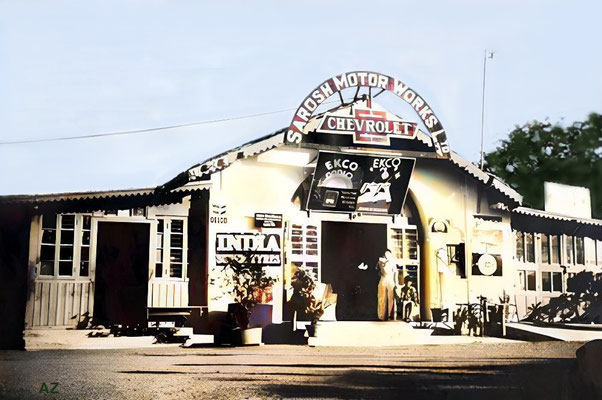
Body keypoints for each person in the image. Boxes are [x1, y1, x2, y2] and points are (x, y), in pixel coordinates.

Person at [377, 249, 398, 321]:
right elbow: (378, 269)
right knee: (381, 297)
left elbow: (395, 272)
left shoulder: (392, 262)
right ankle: (381, 315)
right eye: (386, 254)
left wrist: (396, 282)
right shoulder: (381, 261)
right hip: (383, 279)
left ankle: (390, 314)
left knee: (390, 298)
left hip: (390, 279)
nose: (387, 255)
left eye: (388, 254)